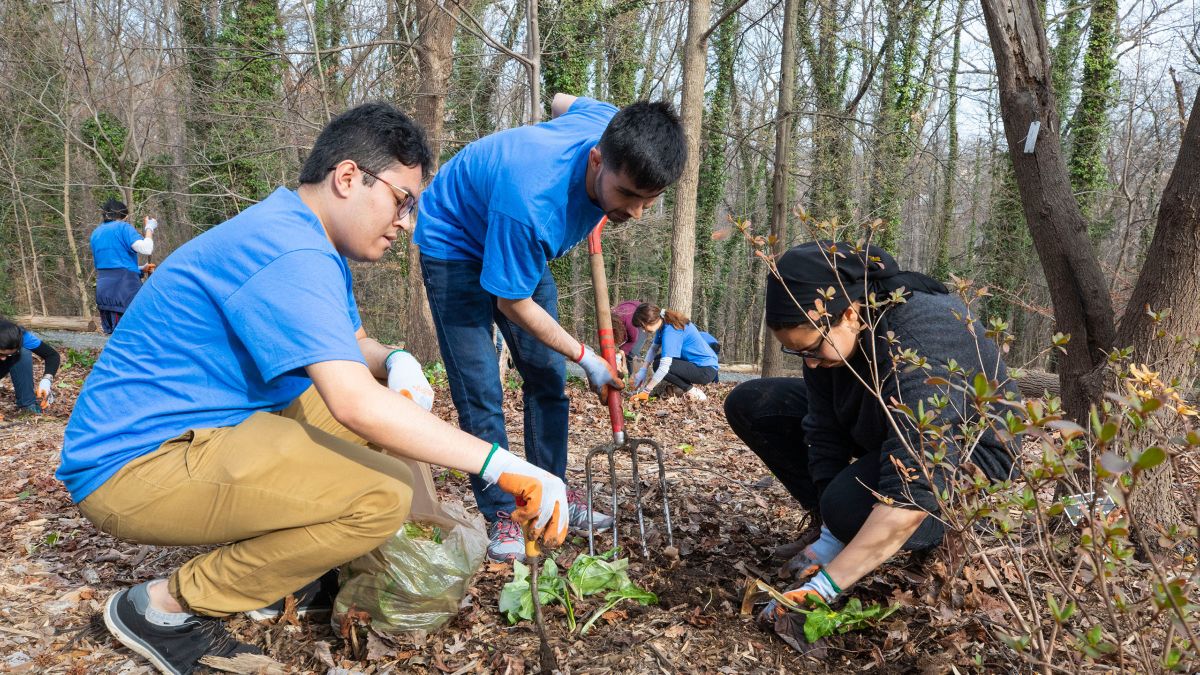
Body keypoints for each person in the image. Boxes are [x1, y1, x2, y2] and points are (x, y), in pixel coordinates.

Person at [58, 103, 569, 675]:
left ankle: (297, 571)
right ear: (349, 178)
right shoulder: (291, 251)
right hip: (133, 466)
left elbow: (353, 347)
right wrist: (505, 465)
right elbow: (355, 404)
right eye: (403, 201)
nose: (407, 224)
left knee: (387, 433)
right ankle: (161, 608)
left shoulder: (305, 236)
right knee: (381, 497)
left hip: (205, 426)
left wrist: (395, 358)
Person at [413, 93, 687, 562]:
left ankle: (551, 489)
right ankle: (505, 510)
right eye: (627, 196)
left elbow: (562, 101)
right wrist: (587, 358)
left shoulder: (610, 122)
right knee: (480, 389)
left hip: (520, 245)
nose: (636, 213)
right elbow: (512, 302)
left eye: (649, 201)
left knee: (547, 378)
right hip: (455, 242)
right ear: (597, 160)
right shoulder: (532, 202)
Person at [721, 241, 1019, 635]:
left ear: (849, 312)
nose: (809, 362)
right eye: (797, 354)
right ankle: (842, 529)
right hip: (884, 423)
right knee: (754, 401)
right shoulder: (830, 340)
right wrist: (830, 532)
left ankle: (923, 533)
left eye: (811, 348)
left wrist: (823, 588)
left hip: (969, 450)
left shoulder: (921, 335)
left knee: (849, 507)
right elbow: (822, 427)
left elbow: (914, 483)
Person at [89, 198, 158, 334]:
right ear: (123, 216)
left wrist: (140, 269)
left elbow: (109, 264)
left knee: (116, 335)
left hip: (104, 292)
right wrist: (149, 228)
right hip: (124, 290)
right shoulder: (122, 227)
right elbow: (146, 248)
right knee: (134, 332)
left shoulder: (96, 233)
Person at [630, 303, 720, 402]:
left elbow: (664, 367)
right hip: (700, 364)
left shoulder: (671, 331)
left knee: (658, 364)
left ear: (650, 321)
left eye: (643, 327)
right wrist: (643, 370)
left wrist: (646, 391)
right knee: (658, 358)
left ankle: (691, 390)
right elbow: (653, 349)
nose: (643, 331)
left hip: (705, 370)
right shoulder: (664, 323)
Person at [0, 319, 61, 414]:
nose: (4, 359)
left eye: (7, 355)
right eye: (1, 354)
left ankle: (27, 404)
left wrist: (46, 381)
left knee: (23, 352)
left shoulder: (20, 336)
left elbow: (52, 355)